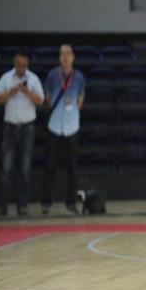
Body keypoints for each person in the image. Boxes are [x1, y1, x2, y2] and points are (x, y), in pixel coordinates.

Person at [0, 47, 44, 216]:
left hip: (28, 128)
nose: (21, 68)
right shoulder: (6, 78)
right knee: (6, 168)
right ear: (14, 63)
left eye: (24, 65)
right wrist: (12, 92)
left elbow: (41, 101)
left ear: (27, 65)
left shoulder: (33, 79)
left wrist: (27, 92)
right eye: (18, 65)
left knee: (25, 169)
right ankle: (2, 207)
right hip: (10, 127)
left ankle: (22, 206)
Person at [42, 44, 85, 215]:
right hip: (54, 126)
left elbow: (80, 102)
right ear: (59, 57)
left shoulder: (79, 77)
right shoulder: (52, 76)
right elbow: (47, 99)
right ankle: (46, 202)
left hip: (71, 127)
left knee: (72, 168)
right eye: (62, 53)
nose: (65, 56)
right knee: (50, 166)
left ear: (73, 56)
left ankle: (71, 203)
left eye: (68, 53)